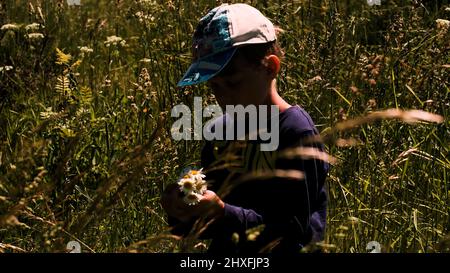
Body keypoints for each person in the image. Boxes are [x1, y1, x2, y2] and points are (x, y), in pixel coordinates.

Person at [161, 3, 329, 254]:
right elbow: (212, 218)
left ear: (270, 67)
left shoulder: (295, 132)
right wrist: (183, 211)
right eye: (214, 86)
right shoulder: (220, 131)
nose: (223, 96)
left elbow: (292, 230)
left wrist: (224, 212)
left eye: (233, 83)